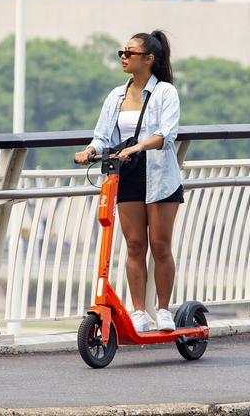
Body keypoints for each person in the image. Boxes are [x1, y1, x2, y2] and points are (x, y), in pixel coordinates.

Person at [74, 30, 183, 331]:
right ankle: (138, 311)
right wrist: (90, 150)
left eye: (129, 53)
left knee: (160, 246)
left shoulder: (165, 93)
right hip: (129, 173)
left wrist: (137, 146)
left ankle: (163, 309)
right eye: (122, 52)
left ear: (149, 59)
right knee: (134, 245)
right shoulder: (116, 96)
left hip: (160, 175)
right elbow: (102, 135)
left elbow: (166, 135)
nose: (123, 57)